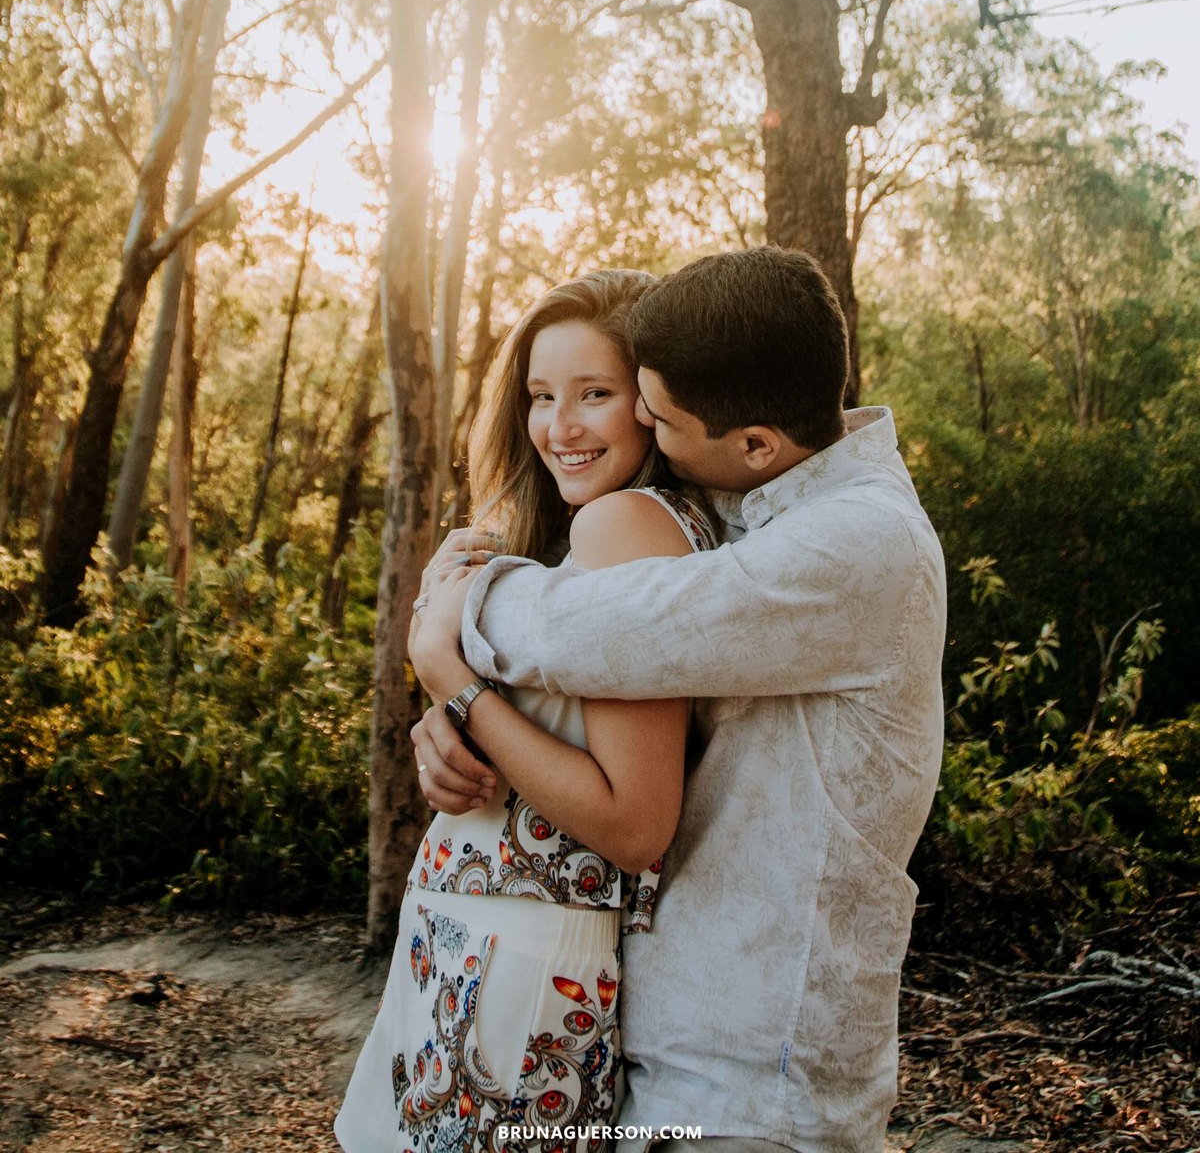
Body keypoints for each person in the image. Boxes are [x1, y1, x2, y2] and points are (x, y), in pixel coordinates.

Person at [413, 246, 947, 1153]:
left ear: (752, 444)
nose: (642, 435)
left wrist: (448, 634)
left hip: (762, 1069)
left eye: (651, 416)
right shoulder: (768, 497)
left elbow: (612, 630)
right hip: (678, 1032)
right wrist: (460, 719)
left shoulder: (855, 546)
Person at [335, 270, 721, 1153]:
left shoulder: (627, 526)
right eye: (542, 396)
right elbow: (539, 742)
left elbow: (635, 824)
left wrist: (451, 680)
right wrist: (446, 730)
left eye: (596, 394)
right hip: (470, 935)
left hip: (525, 957)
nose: (559, 427)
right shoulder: (580, 533)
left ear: (652, 405)